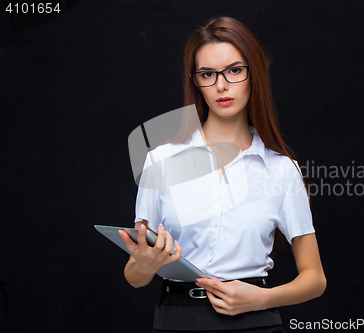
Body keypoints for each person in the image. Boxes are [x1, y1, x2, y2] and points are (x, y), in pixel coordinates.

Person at [119, 16, 326, 332]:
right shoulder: (161, 160)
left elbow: (314, 278)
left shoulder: (281, 170)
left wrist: (261, 299)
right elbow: (135, 276)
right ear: (195, 81)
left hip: (255, 320)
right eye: (207, 74)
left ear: (253, 74)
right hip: (177, 319)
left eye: (234, 70)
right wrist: (144, 265)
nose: (221, 85)